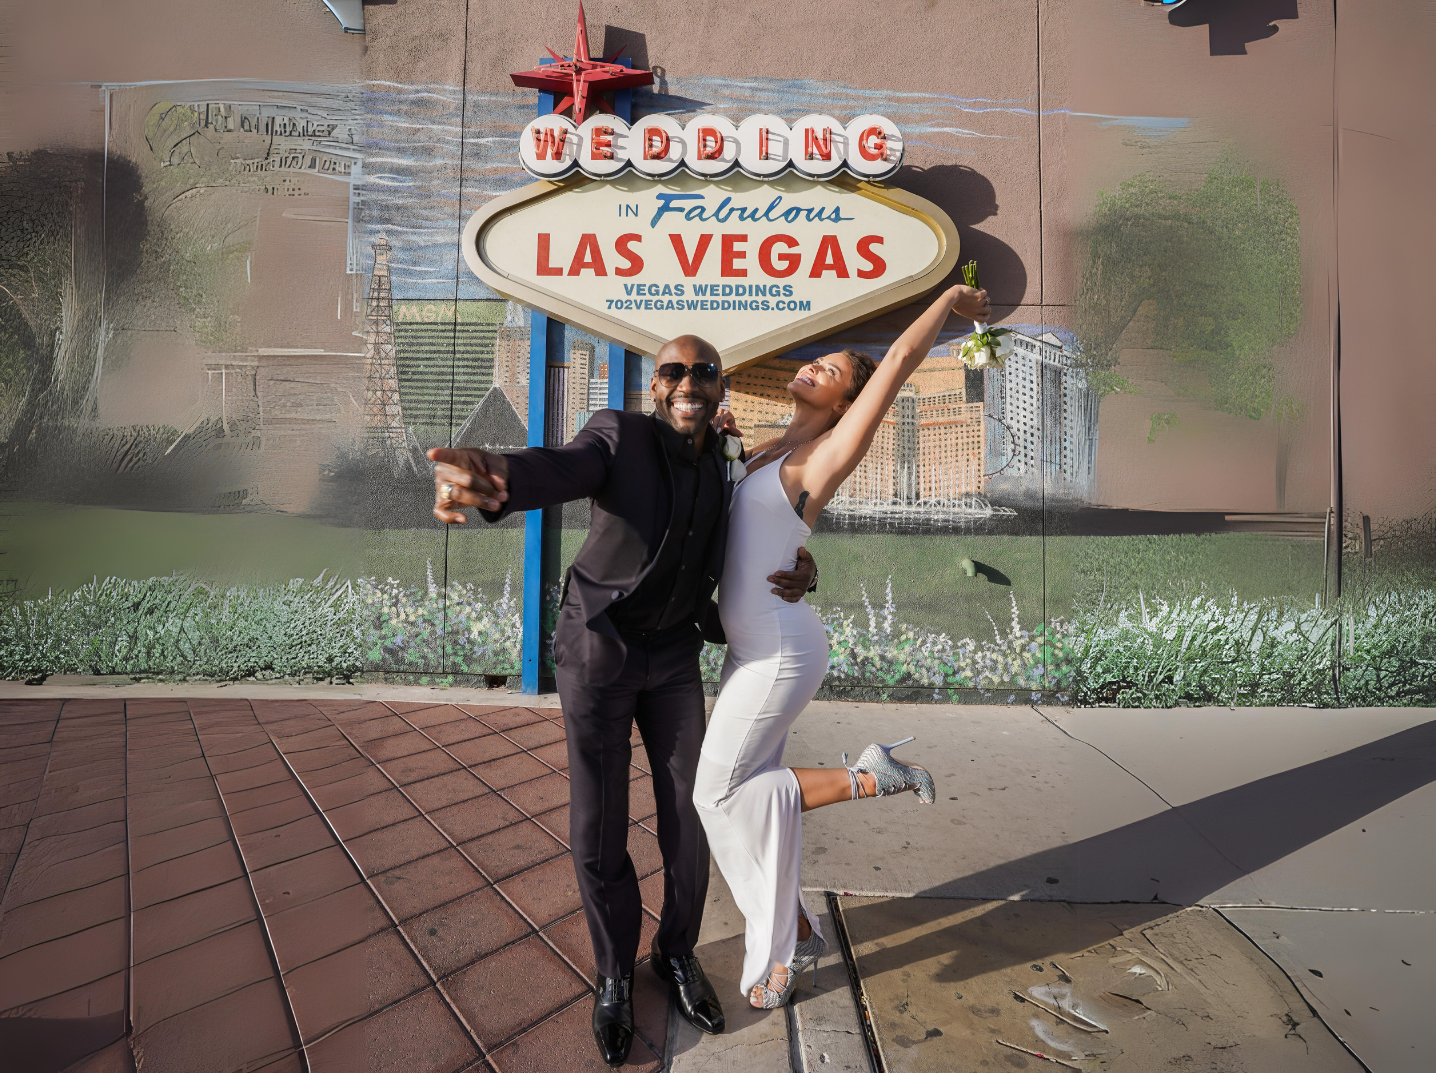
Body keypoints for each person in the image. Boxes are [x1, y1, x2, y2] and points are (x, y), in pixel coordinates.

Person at [426, 335, 817, 1067]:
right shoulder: (620, 434)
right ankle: (613, 972)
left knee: (692, 812)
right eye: (673, 371)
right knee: (600, 821)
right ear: (655, 385)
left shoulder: (724, 458)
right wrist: (494, 475)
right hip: (599, 648)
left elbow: (753, 534)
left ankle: (675, 952)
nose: (688, 382)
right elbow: (560, 466)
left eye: (703, 371)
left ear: (719, 386)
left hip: (672, 654)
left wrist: (803, 565)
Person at [693, 281, 992, 1010]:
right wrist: (723, 446)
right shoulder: (770, 447)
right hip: (749, 647)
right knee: (744, 800)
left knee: (717, 791)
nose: (814, 367)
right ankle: (794, 925)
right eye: (818, 360)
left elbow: (900, 359)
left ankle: (866, 780)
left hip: (780, 653)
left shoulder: (829, 451)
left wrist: (951, 299)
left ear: (844, 403)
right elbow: (747, 535)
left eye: (831, 371)